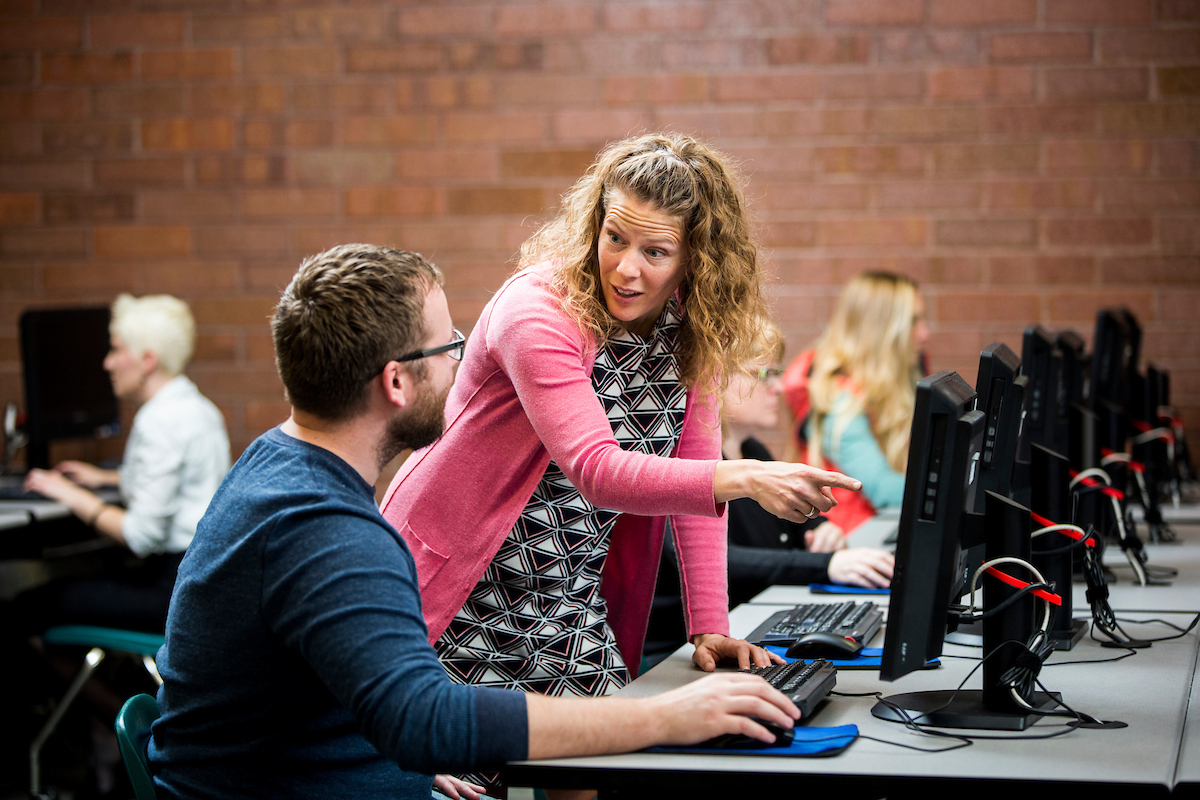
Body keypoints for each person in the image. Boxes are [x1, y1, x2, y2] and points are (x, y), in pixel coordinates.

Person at [147, 244, 800, 800]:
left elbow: (352, 700)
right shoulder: (328, 532)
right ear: (397, 382)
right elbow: (426, 721)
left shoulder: (272, 469)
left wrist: (400, 771)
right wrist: (660, 718)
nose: (462, 361)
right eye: (449, 345)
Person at [380, 133, 860, 749]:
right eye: (615, 238)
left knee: (603, 770)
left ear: (697, 258)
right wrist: (742, 478)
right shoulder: (541, 308)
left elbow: (693, 465)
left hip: (566, 591)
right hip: (469, 585)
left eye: (656, 251)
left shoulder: (695, 322)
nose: (627, 267)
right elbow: (596, 468)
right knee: (466, 772)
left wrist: (709, 625)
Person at [645, 328, 894, 663]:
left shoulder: (752, 450)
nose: (778, 387)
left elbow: (796, 524)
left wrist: (819, 529)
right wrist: (828, 565)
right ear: (715, 376)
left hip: (745, 623)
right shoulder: (677, 463)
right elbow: (724, 560)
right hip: (680, 652)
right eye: (764, 374)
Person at [17, 293, 229, 633]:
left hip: (166, 594)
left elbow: (141, 535)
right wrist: (106, 479)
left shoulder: (159, 421)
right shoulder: (198, 407)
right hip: (198, 585)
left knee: (26, 607)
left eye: (116, 350)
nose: (107, 363)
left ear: (147, 360)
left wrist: (70, 494)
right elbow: (177, 478)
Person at [782, 271, 929, 534]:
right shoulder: (839, 401)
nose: (924, 334)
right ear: (881, 330)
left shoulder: (881, 387)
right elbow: (882, 490)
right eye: (913, 321)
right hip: (847, 544)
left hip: (877, 530)